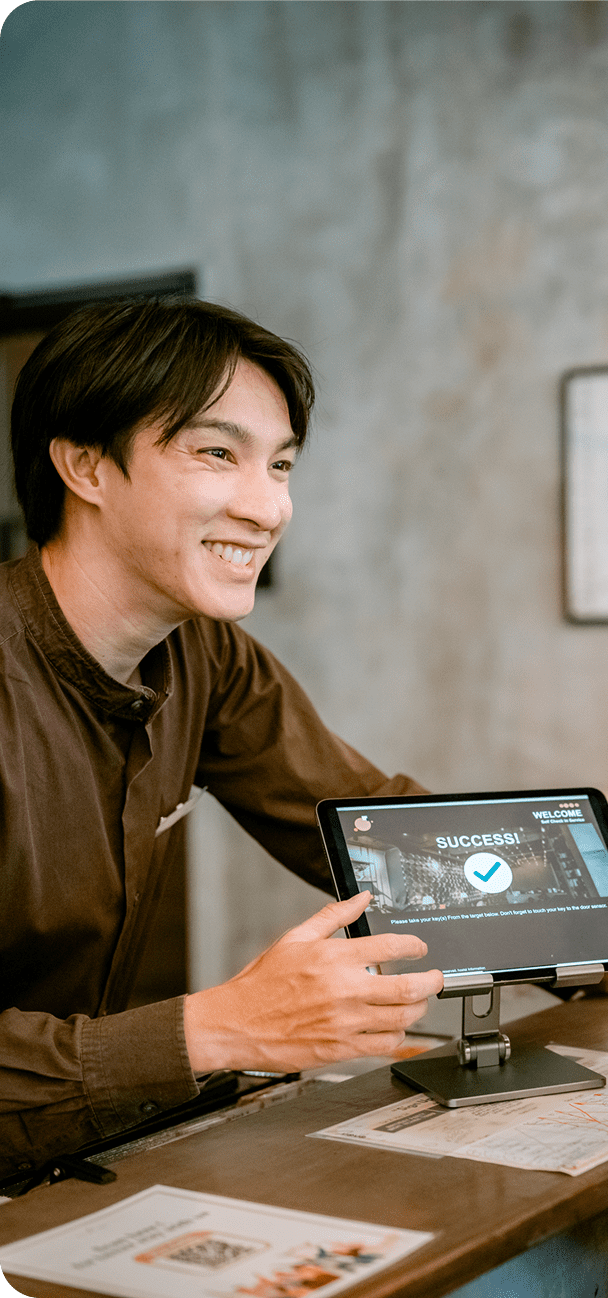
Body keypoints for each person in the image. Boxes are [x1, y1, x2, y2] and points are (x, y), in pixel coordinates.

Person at [0, 298, 443, 1179]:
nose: (269, 506)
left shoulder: (206, 656)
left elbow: (374, 833)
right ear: (86, 465)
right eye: (216, 453)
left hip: (60, 1165)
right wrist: (221, 1027)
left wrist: (601, 940)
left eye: (280, 465)